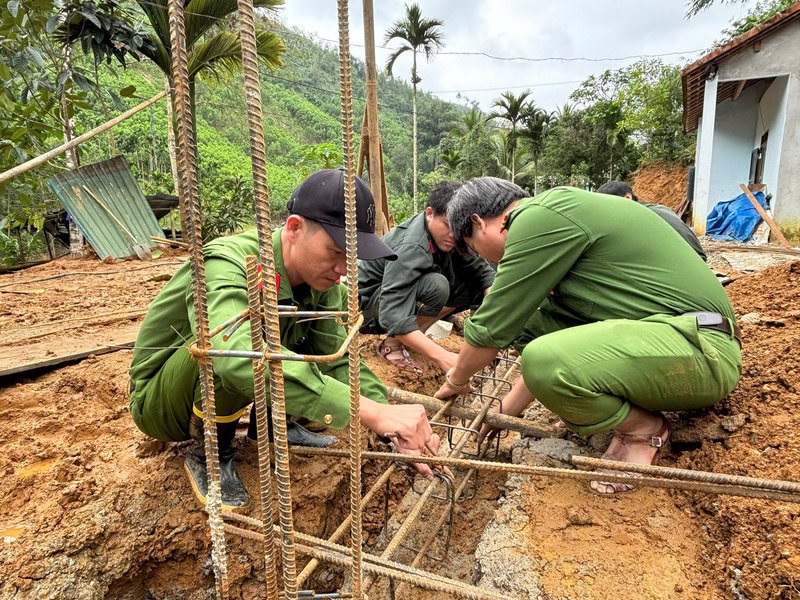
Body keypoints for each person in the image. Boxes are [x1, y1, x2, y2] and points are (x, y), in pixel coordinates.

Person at [129, 170, 442, 510]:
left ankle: (275, 425)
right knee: (237, 348)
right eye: (335, 251)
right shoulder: (227, 263)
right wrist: (367, 412)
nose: (343, 269)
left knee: (298, 338)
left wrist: (390, 421)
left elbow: (337, 359)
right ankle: (212, 453)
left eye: (350, 258)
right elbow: (232, 356)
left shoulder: (321, 284)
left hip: (229, 376)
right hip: (162, 401)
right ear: (293, 228)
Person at [435, 177, 742, 495]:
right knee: (530, 324)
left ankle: (642, 430)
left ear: (479, 222)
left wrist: (456, 381)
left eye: (473, 247)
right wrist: (504, 412)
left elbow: (491, 329)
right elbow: (545, 334)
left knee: (545, 360)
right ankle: (613, 404)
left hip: (701, 352)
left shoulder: (537, 219)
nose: (484, 259)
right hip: (674, 342)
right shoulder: (558, 216)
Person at [358, 181, 495, 374]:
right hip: (367, 309)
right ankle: (392, 346)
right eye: (447, 225)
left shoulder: (452, 235)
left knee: (472, 285)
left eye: (457, 228)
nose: (452, 234)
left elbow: (484, 274)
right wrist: (443, 356)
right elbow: (392, 313)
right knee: (436, 285)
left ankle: (414, 338)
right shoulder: (412, 246)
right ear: (429, 214)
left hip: (395, 298)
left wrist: (496, 318)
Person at [597, 180, 707, 261]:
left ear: (627, 198)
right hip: (695, 260)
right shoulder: (655, 208)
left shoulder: (639, 217)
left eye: (609, 203)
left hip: (690, 264)